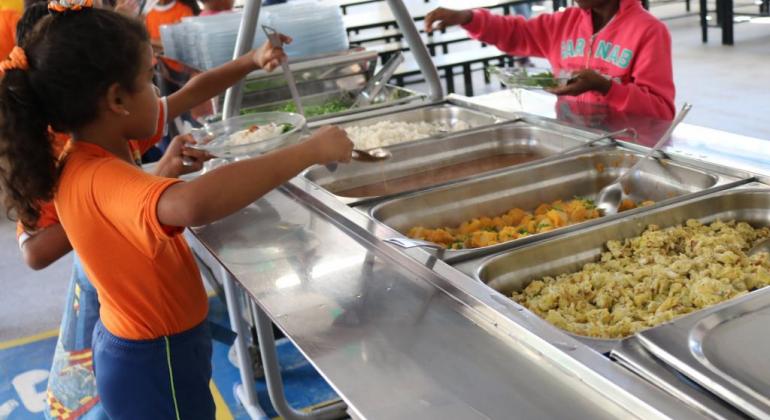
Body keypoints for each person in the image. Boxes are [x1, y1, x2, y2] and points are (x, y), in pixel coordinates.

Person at [0, 3, 351, 420]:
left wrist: (163, 170)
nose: (157, 92)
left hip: (150, 348)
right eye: (149, 80)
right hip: (154, 358)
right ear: (116, 99)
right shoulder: (99, 173)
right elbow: (192, 204)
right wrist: (309, 150)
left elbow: (142, 194)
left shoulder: (96, 153)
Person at [424, 0, 675, 120]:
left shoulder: (648, 30)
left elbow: (661, 111)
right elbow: (515, 33)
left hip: (628, 146)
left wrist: (605, 87)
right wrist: (468, 17)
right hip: (572, 137)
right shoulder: (563, 23)